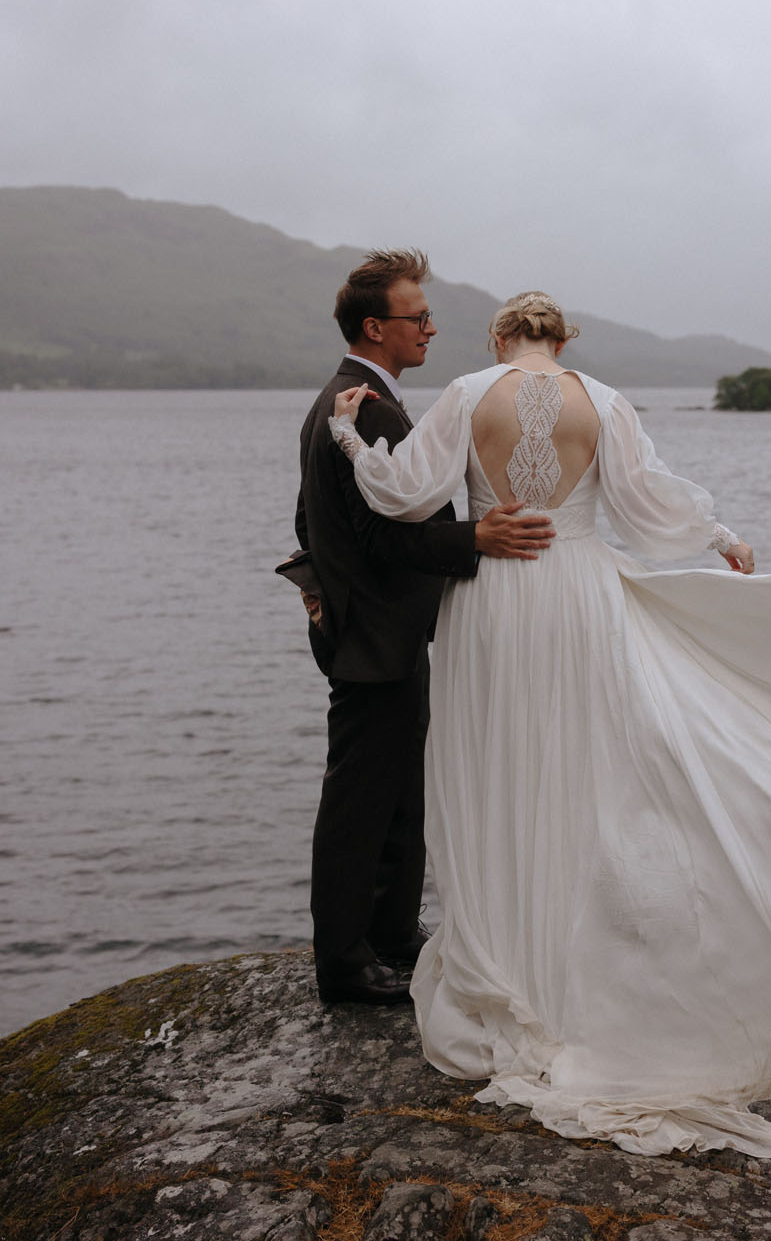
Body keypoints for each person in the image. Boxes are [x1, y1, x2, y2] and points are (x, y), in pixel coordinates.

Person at [326, 290, 771, 1155]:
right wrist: (721, 532)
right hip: (580, 597)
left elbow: (404, 494)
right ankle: (580, 979)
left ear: (499, 338)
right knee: (584, 775)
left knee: (496, 772)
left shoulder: (466, 391)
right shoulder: (605, 401)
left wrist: (351, 434)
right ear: (564, 340)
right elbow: (652, 509)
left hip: (495, 599)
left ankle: (504, 962)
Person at [295, 253, 555, 1007]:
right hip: (373, 636)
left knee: (401, 791)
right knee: (361, 804)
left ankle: (391, 936)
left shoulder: (348, 397)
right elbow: (377, 537)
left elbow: (316, 521)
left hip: (376, 629)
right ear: (377, 327)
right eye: (419, 318)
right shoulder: (363, 405)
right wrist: (473, 540)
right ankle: (344, 964)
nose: (432, 329)